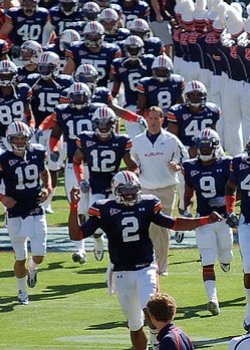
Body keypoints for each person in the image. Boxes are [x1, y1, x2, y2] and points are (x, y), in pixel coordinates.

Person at [68, 170, 222, 350]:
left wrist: (204, 221)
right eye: (125, 190)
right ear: (116, 190)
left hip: (145, 266)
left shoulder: (148, 204)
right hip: (121, 271)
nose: (130, 194)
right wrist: (73, 206)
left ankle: (158, 343)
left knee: (152, 309)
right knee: (134, 324)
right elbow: (76, 234)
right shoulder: (104, 208)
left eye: (133, 190)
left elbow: (173, 223)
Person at [73, 105, 138, 261]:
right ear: (95, 124)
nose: (103, 127)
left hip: (116, 186)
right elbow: (76, 161)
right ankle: (97, 239)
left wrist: (130, 180)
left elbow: (133, 166)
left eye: (107, 123)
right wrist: (81, 180)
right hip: (95, 185)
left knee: (119, 220)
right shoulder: (86, 139)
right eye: (100, 123)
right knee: (95, 220)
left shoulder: (121, 140)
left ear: (113, 124)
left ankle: (121, 254)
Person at [132, 105, 189, 276]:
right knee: (148, 227)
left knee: (162, 227)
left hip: (166, 188)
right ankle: (148, 262)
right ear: (146, 119)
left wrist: (177, 166)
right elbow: (130, 159)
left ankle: (162, 267)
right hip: (145, 188)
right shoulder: (137, 140)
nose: (153, 121)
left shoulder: (171, 139)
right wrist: (135, 170)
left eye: (157, 118)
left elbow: (185, 158)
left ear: (162, 120)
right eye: (151, 118)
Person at [183, 128, 234, 316]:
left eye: (207, 147)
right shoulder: (190, 166)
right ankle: (213, 299)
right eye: (201, 147)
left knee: (227, 256)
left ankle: (225, 261)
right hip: (203, 220)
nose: (204, 150)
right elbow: (188, 194)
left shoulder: (227, 164)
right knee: (207, 259)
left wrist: (227, 200)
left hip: (224, 220)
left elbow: (240, 190)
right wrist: (186, 210)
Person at [0, 121, 51, 305]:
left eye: (23, 138)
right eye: (16, 138)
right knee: (19, 256)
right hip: (14, 211)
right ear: (9, 139)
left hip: (35, 208)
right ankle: (22, 291)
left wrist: (47, 188)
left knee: (39, 256)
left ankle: (33, 267)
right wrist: (2, 198)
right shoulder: (3, 158)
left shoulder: (37, 152)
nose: (20, 141)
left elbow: (45, 172)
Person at [225, 138, 250, 332]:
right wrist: (230, 210)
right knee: (248, 267)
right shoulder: (241, 162)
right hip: (247, 221)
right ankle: (249, 313)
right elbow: (230, 187)